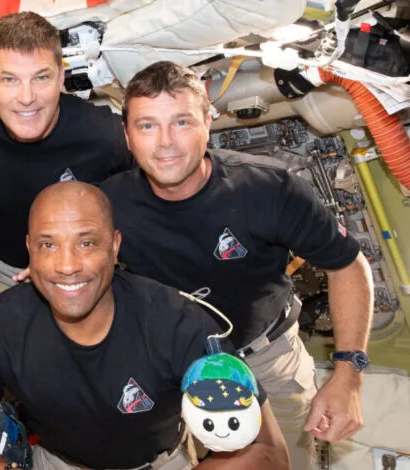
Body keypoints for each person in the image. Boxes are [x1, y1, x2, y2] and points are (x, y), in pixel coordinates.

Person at [100, 61, 374, 470]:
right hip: (169, 363)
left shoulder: (269, 189)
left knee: (291, 460)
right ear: (127, 136)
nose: (165, 143)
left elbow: (348, 265)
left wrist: (349, 376)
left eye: (181, 122)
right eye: (147, 126)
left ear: (208, 122)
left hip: (268, 355)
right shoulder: (106, 206)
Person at [0, 182, 290, 470]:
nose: (67, 265)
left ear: (115, 247)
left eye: (86, 243)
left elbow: (268, 450)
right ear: (30, 250)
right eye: (48, 245)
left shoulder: (178, 324)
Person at [0, 12, 134, 311]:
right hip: (0, 270)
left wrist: (103, 255)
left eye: (41, 77)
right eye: (9, 80)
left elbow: (149, 196)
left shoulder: (104, 135)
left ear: (61, 78)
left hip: (79, 271)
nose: (26, 97)